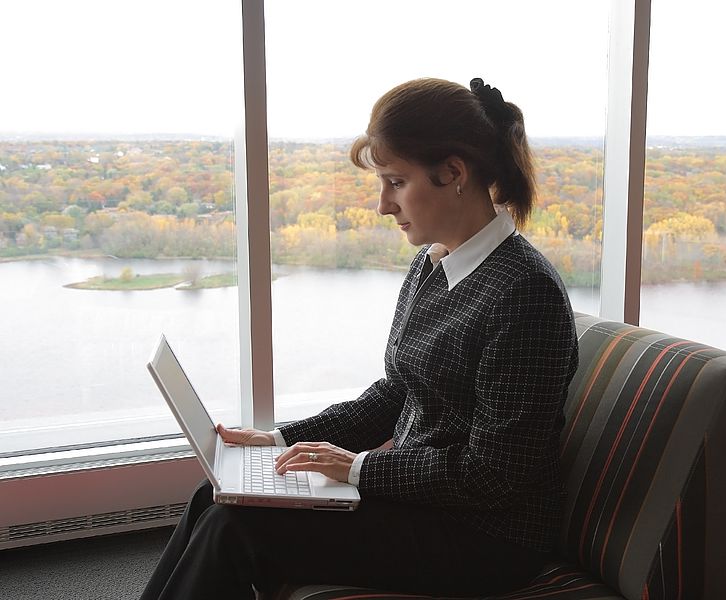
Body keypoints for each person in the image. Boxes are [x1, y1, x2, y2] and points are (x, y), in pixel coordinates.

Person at [140, 77, 579, 600]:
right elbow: (396, 393)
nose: (382, 205)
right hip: (425, 499)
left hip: (485, 538)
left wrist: (354, 467)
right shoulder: (434, 262)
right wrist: (280, 440)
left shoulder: (525, 293)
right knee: (215, 499)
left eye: (394, 181)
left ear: (454, 173)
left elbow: (493, 475)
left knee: (235, 529)